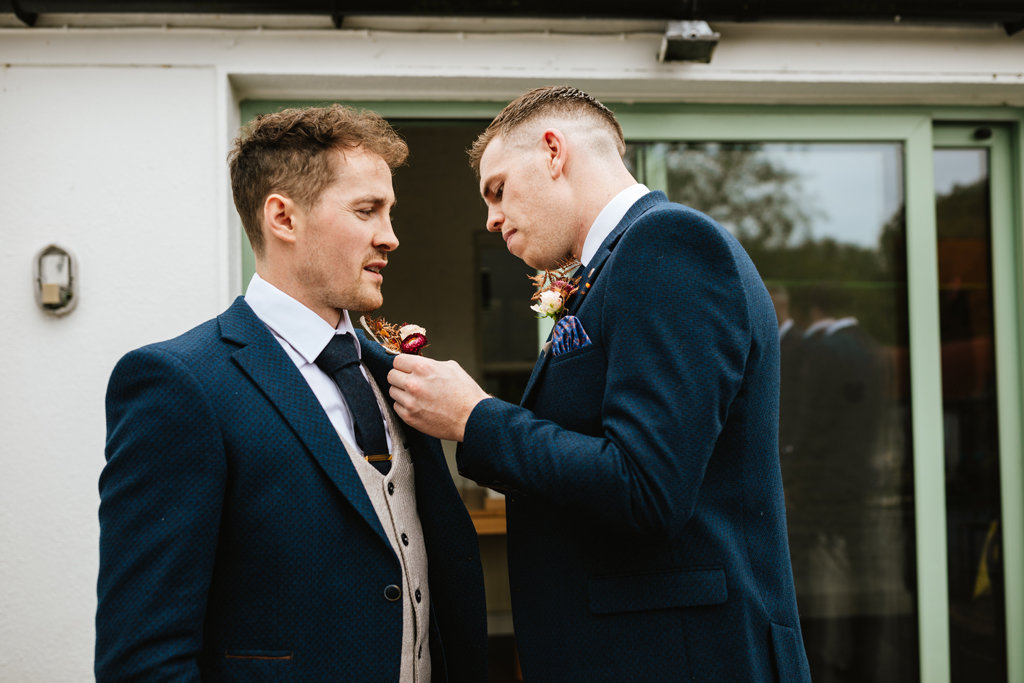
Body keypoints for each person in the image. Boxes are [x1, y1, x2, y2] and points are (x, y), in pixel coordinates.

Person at [387, 86, 811, 681]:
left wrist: (475, 417)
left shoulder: (666, 246)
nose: (491, 217)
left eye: (498, 189)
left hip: (680, 657)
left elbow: (646, 487)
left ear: (554, 152)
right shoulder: (615, 266)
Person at [96, 104, 487, 682]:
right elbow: (143, 657)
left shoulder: (395, 375)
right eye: (366, 210)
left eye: (389, 212)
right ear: (283, 216)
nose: (391, 236)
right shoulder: (179, 384)